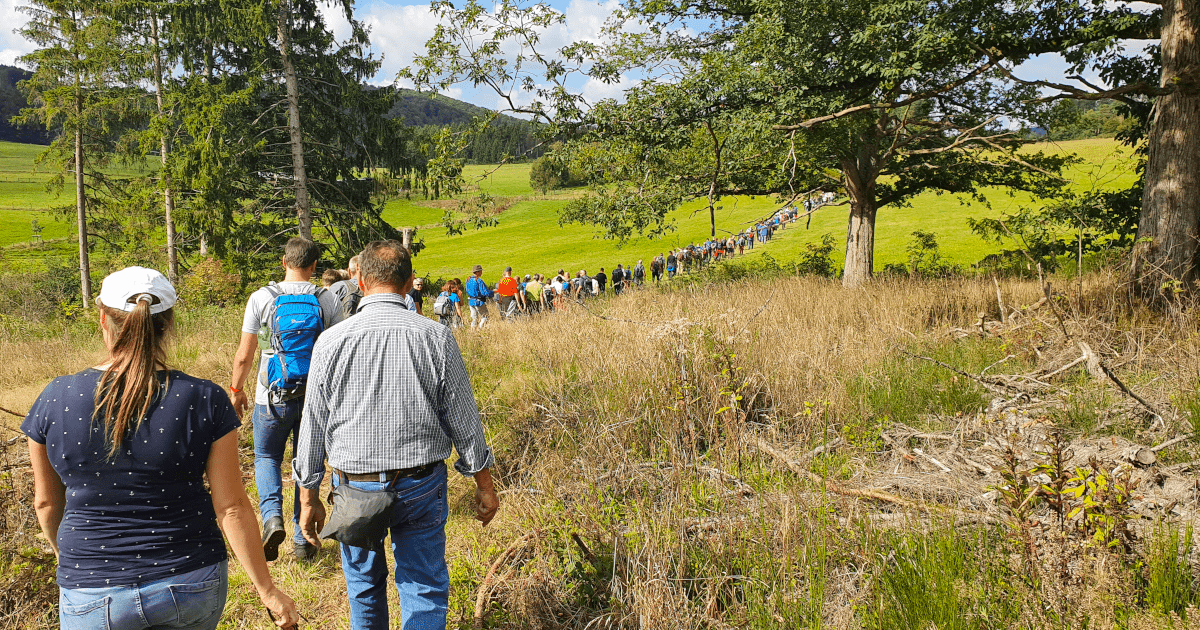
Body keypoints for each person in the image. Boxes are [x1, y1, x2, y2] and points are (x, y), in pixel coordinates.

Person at [24, 266, 299, 630]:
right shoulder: (204, 398)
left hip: (90, 588)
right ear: (169, 324)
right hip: (190, 578)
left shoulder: (55, 397)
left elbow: (45, 503)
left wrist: (71, 558)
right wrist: (267, 590)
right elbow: (231, 507)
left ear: (103, 319)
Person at [294, 240, 498, 630]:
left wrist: (308, 496)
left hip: (355, 487)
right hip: (421, 483)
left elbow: (313, 424)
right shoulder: (435, 337)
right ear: (408, 284)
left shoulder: (331, 341)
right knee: (422, 586)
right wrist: (484, 484)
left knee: (364, 588)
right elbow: (465, 420)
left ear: (362, 282)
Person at [230, 237, 344, 562]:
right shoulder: (326, 299)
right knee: (304, 465)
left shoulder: (261, 298)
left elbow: (244, 355)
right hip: (314, 398)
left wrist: (236, 390)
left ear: (283, 262)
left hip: (272, 397)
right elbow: (336, 353)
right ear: (313, 266)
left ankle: (271, 518)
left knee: (266, 456)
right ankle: (302, 541)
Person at [465, 264, 492, 329]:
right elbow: (484, 292)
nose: (481, 272)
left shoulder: (468, 280)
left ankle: (473, 330)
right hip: (479, 302)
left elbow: (467, 290)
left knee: (474, 318)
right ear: (477, 272)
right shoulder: (479, 281)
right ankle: (481, 328)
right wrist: (492, 293)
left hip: (471, 301)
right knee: (485, 316)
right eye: (480, 271)